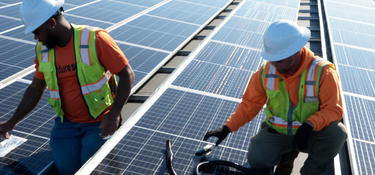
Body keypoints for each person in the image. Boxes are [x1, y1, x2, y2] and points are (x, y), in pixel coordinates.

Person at [0, 0, 134, 174]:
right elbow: (35, 88)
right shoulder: (43, 50)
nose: (36, 38)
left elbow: (127, 74)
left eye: (37, 32)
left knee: (89, 169)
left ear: (51, 23)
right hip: (66, 125)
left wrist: (115, 114)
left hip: (99, 122)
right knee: (66, 169)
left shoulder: (95, 39)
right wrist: (12, 122)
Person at [203, 20, 347, 175]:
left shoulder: (323, 72)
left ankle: (310, 172)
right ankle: (287, 158)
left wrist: (310, 125)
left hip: (310, 135)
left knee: (337, 133)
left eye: (279, 60)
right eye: (271, 59)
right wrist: (227, 128)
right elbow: (249, 105)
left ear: (295, 53)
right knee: (257, 158)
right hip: (280, 133)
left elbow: (334, 110)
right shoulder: (266, 72)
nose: (274, 65)